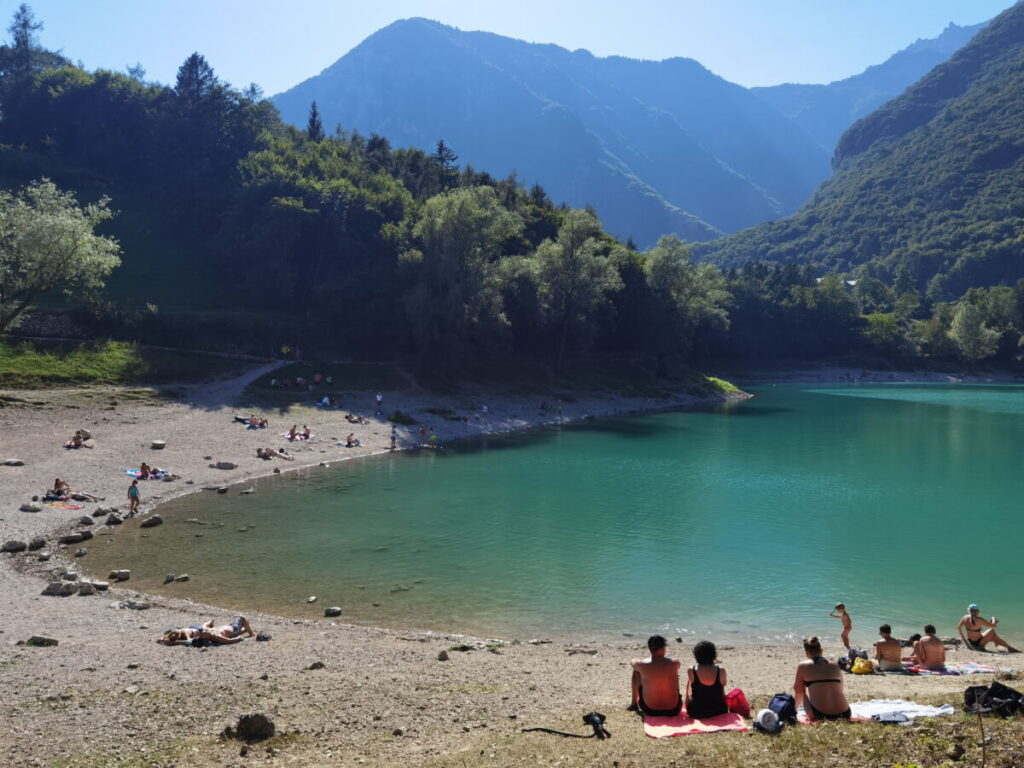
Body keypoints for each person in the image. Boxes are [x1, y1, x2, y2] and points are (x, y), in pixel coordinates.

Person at [794, 635, 850, 721]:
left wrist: (793, 711)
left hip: (819, 715)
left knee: (801, 689)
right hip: (845, 713)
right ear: (821, 651)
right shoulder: (835, 665)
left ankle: (794, 711)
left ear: (806, 653)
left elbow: (798, 691)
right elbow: (841, 689)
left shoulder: (803, 666)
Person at [629, 635, 683, 717]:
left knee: (636, 671)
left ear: (650, 648)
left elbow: (632, 662)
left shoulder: (641, 664)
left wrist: (638, 660)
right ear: (662, 648)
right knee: (672, 674)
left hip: (650, 710)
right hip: (674, 710)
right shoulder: (675, 663)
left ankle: (634, 703)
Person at [685, 640, 728, 719]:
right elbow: (723, 690)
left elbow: (688, 693)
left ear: (696, 655)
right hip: (719, 711)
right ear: (713, 655)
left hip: (697, 712)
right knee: (720, 684)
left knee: (689, 682)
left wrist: (687, 707)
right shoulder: (721, 670)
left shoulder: (691, 670)